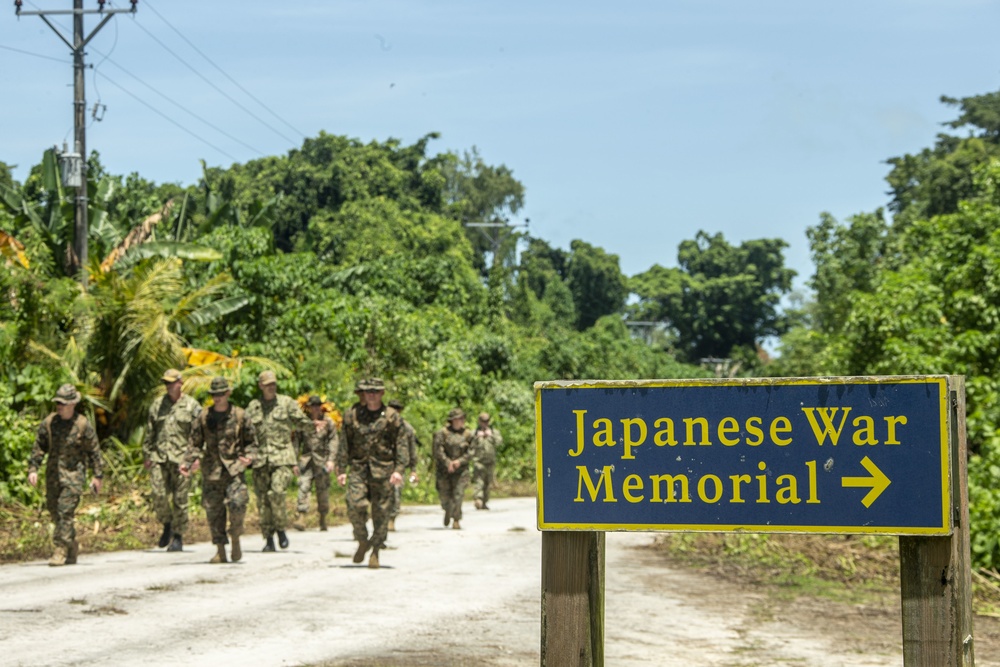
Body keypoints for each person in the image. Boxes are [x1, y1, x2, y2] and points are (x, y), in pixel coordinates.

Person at [180, 376, 258, 564]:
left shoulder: (240, 415)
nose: (218, 398)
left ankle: (236, 536)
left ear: (228, 394)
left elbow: (252, 443)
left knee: (238, 504)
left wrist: (249, 457)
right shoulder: (203, 417)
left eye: (221, 394)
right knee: (214, 512)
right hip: (212, 471)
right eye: (214, 395)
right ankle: (221, 549)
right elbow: (195, 443)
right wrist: (187, 462)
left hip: (234, 470)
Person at [27, 384, 103, 566]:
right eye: (57, 403)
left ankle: (60, 550)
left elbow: (94, 451)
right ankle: (71, 544)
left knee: (64, 512)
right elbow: (39, 448)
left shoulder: (82, 424)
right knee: (55, 512)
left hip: (73, 477)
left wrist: (97, 476)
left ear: (72, 404)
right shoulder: (49, 423)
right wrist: (33, 469)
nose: (59, 406)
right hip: (53, 477)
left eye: (62, 403)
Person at [336, 377, 408, 569]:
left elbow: (401, 445)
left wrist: (399, 470)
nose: (371, 395)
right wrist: (342, 469)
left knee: (381, 513)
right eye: (368, 392)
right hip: (359, 468)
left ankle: (375, 549)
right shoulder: (352, 415)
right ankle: (362, 540)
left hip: (383, 470)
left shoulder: (392, 417)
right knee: (354, 504)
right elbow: (345, 443)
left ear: (382, 393)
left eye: (375, 392)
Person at [246, 370, 312, 552]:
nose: (271, 387)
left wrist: (314, 427)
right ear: (261, 386)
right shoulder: (254, 407)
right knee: (263, 501)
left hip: (282, 457)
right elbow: (244, 430)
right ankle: (268, 538)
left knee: (277, 493)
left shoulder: (286, 403)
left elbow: (300, 421)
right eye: (267, 385)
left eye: (273, 384)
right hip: (260, 460)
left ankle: (281, 529)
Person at [142, 368, 202, 552]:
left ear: (180, 383)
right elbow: (150, 432)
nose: (168, 386)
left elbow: (200, 434)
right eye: (166, 383)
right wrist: (147, 454)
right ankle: (167, 524)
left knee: (180, 499)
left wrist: (196, 458)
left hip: (182, 460)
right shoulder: (158, 405)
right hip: (160, 457)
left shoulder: (192, 406)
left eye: (171, 383)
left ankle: (178, 535)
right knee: (158, 494)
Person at [292, 395, 338, 532]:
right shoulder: (304, 423)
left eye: (317, 406)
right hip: (306, 460)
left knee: (322, 490)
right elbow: (296, 442)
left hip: (322, 460)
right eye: (313, 406)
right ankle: (301, 516)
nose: (315, 408)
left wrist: (331, 460)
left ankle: (323, 518)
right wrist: (293, 461)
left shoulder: (328, 422)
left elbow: (333, 441)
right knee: (303, 487)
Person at [433, 407, 473, 530]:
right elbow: (437, 450)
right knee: (444, 495)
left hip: (461, 471)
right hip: (444, 470)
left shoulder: (468, 434)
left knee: (458, 494)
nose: (460, 421)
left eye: (462, 418)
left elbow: (472, 451)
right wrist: (447, 462)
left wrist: (459, 462)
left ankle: (456, 519)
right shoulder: (442, 433)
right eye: (457, 419)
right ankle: (447, 510)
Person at [387, 398, 419, 532]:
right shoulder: (380, 424)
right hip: (381, 464)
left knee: (395, 492)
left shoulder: (407, 428)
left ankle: (391, 519)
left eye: (397, 409)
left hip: (398, 466)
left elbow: (412, 449)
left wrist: (413, 470)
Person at [471, 412, 502, 510]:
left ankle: (484, 501)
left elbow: (499, 442)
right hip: (478, 461)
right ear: (479, 421)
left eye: (487, 421)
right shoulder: (474, 432)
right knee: (479, 481)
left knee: (488, 482)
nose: (485, 423)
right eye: (483, 421)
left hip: (490, 461)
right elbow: (468, 444)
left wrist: (491, 436)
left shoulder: (493, 431)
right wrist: (477, 437)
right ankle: (478, 499)